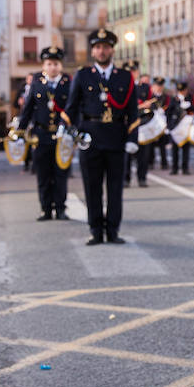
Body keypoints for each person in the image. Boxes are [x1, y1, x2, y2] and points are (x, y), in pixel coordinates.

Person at [63, 28, 139, 244]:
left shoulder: (124, 77)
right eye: (97, 47)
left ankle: (113, 230)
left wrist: (133, 139)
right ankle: (96, 230)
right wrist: (71, 131)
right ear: (92, 51)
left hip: (116, 137)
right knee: (92, 187)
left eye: (105, 47)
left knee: (115, 189)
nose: (102, 51)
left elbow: (133, 111)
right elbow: (72, 107)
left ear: (112, 50)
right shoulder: (83, 75)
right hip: (90, 138)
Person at [21, 46, 72, 221]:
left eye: (56, 64)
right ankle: (45, 209)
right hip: (41, 135)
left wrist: (71, 129)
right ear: (44, 65)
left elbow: (74, 110)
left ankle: (61, 208)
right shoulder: (36, 85)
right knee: (43, 174)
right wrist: (20, 131)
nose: (52, 67)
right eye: (49, 64)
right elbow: (27, 110)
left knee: (61, 174)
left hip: (62, 136)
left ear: (61, 66)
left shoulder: (69, 85)